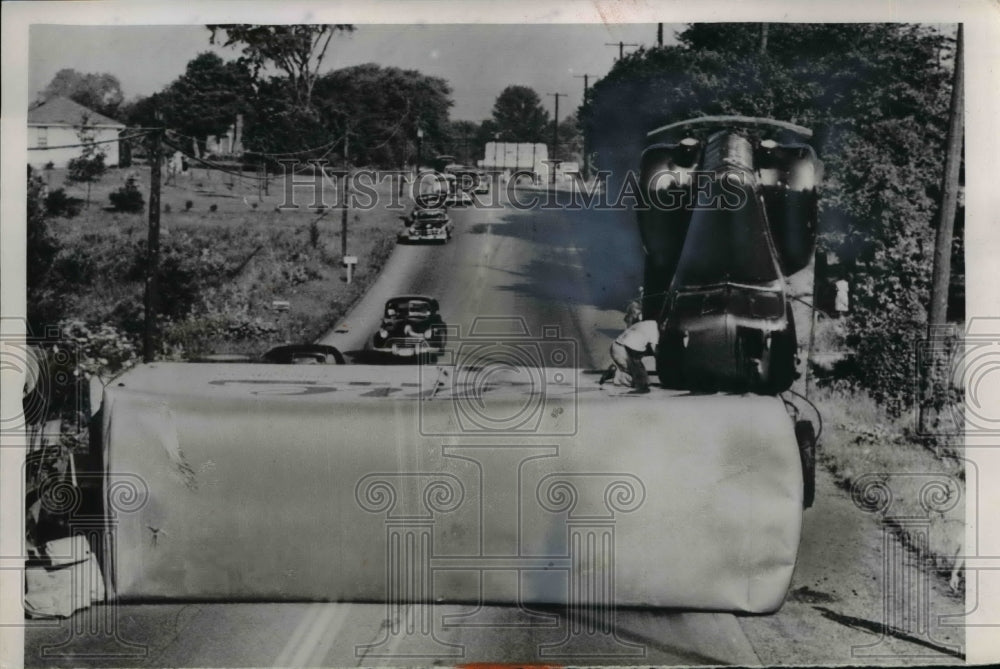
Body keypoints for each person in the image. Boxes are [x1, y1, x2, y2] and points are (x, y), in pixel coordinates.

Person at [600, 319, 660, 393]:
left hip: (616, 347)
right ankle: (616, 374)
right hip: (623, 351)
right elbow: (655, 353)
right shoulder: (654, 331)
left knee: (645, 381)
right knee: (640, 383)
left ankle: (617, 372)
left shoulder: (649, 323)